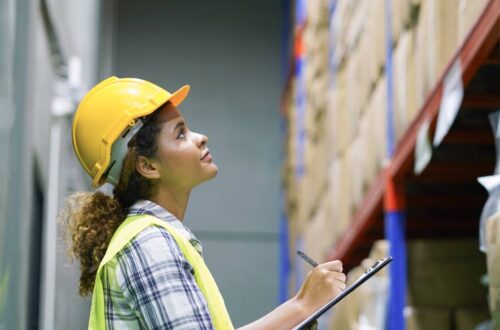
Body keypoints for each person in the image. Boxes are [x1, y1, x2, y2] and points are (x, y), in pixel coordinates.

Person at [63, 76, 346, 329]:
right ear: (147, 166)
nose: (201, 138)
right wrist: (302, 306)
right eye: (180, 133)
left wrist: (300, 311)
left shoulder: (156, 239)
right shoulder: (149, 243)